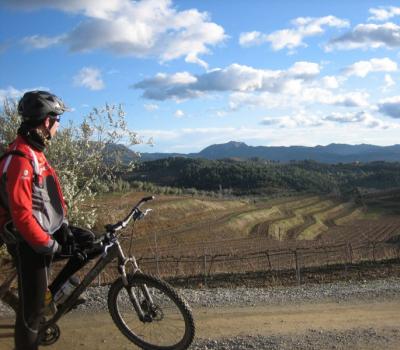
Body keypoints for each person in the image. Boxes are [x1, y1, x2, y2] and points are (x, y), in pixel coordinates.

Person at [0, 90, 93, 350]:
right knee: (32, 314)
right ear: (47, 122)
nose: (59, 127)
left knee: (88, 241)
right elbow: (20, 216)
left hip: (44, 230)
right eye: (58, 120)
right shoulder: (19, 159)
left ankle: (57, 290)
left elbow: (50, 196)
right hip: (27, 242)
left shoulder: (34, 151)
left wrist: (63, 229)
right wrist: (50, 246)